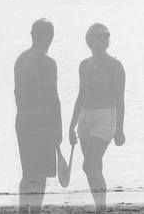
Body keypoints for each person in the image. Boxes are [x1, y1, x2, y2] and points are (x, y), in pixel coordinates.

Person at [68, 23, 126, 214]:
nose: (102, 38)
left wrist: (119, 129)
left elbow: (120, 100)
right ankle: (100, 206)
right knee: (96, 165)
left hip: (105, 116)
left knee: (88, 164)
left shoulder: (115, 66)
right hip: (86, 117)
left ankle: (101, 209)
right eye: (97, 35)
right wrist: (71, 126)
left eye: (105, 35)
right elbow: (80, 96)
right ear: (88, 40)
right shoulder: (84, 65)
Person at [14, 19, 62, 213]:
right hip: (41, 122)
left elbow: (17, 92)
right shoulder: (47, 62)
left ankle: (22, 210)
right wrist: (58, 128)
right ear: (50, 37)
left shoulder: (21, 58)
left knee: (28, 173)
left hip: (23, 120)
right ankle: (34, 211)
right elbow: (53, 98)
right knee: (40, 173)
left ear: (32, 35)